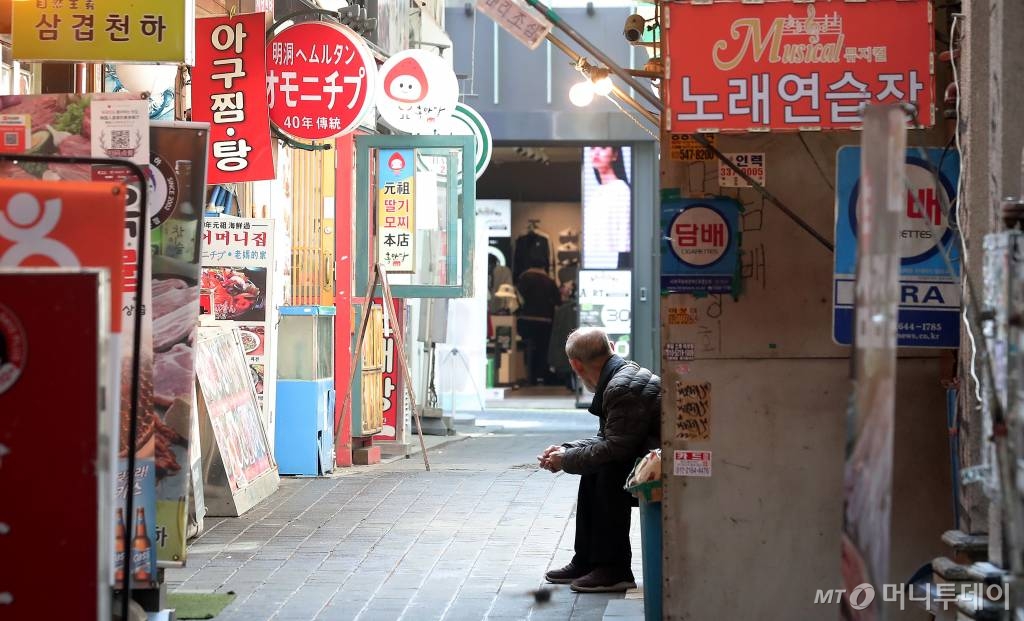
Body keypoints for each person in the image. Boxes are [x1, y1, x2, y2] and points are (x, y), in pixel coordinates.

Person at [538, 327, 661, 592]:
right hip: (657, 458)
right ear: (612, 347)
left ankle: (614, 569)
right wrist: (566, 450)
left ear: (575, 365)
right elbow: (609, 438)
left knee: (608, 469)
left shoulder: (620, 387)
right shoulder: (620, 376)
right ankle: (587, 561)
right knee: (596, 467)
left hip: (669, 469)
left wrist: (566, 460)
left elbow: (614, 449)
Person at [515, 256, 560, 385]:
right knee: (542, 350)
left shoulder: (524, 278)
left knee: (527, 349)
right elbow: (558, 301)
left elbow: (518, 298)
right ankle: (540, 376)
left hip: (526, 319)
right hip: (545, 321)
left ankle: (527, 376)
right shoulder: (549, 281)